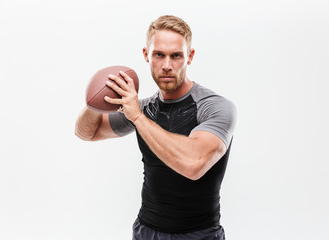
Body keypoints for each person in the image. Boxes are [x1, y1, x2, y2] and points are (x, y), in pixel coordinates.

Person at [75, 15, 237, 240]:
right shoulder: (144, 108)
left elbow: (193, 164)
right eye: (159, 55)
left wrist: (137, 117)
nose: (167, 65)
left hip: (198, 234)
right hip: (146, 231)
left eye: (176, 56)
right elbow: (87, 132)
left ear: (189, 57)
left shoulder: (215, 107)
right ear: (146, 55)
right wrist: (98, 99)